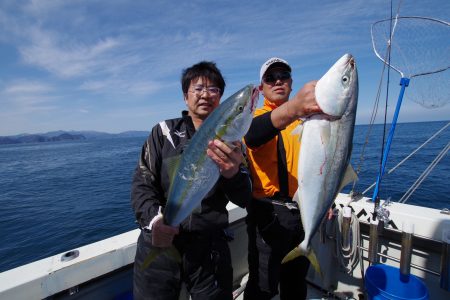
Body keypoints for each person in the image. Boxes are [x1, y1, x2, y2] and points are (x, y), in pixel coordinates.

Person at [131, 61, 252, 300]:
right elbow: (142, 183)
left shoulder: (235, 144)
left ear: (221, 99)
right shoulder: (163, 133)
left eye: (214, 89)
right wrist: (155, 220)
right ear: (186, 97)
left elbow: (245, 196)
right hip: (159, 240)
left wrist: (232, 175)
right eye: (198, 89)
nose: (205, 95)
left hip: (209, 249)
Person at [243, 57, 322, 300]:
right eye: (270, 78)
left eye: (283, 76)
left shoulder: (308, 122)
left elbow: (320, 164)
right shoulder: (252, 119)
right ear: (261, 87)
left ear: (290, 82)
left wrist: (324, 199)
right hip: (268, 214)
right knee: (263, 286)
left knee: (296, 282)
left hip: (304, 210)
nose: (278, 81)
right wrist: (295, 107)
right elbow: (254, 135)